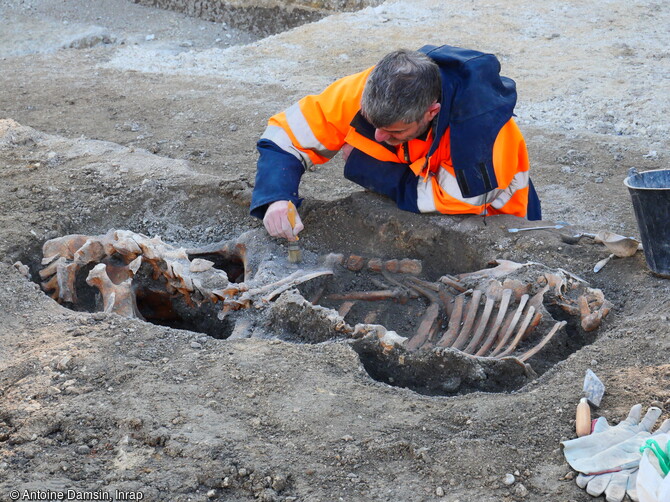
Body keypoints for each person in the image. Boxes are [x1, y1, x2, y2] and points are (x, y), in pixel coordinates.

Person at [250, 44, 541, 240]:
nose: (378, 137)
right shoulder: (364, 91)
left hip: (497, 226)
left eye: (394, 132)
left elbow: (462, 200)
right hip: (419, 200)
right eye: (372, 123)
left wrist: (365, 166)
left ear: (431, 112)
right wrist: (276, 197)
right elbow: (284, 136)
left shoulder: (484, 133)